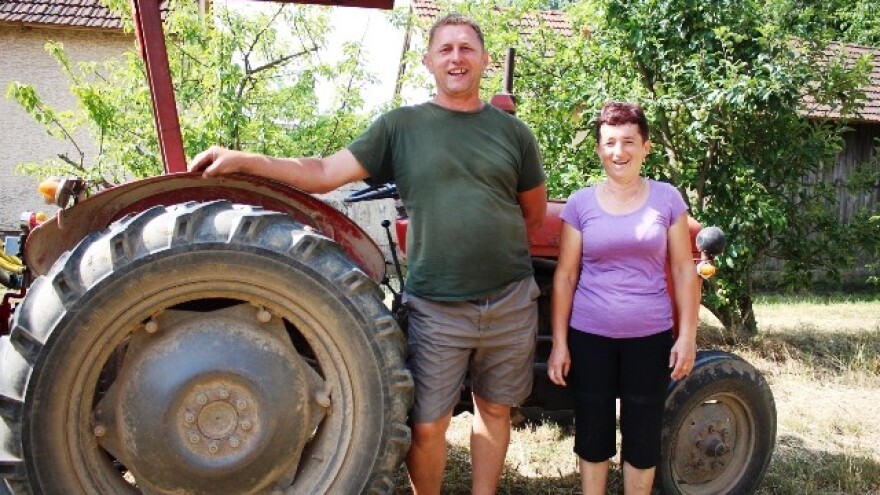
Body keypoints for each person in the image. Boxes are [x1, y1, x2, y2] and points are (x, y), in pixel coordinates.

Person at [189, 13, 547, 495]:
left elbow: (532, 213)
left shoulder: (514, 133)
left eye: (466, 49)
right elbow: (322, 171)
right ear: (429, 62)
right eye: (446, 49)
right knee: (427, 424)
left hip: (509, 299)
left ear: (483, 59)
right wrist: (245, 159)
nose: (457, 58)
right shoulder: (401, 127)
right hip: (438, 306)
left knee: (496, 409)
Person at [546, 101, 698, 495]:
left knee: (643, 435)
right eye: (610, 142)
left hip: (650, 337)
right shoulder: (579, 204)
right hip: (590, 335)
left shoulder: (668, 200)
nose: (619, 152)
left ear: (646, 146)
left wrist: (687, 337)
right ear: (598, 148)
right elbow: (565, 276)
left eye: (629, 141)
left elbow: (684, 269)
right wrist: (560, 344)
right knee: (593, 432)